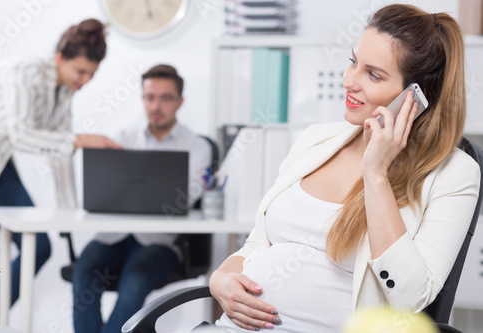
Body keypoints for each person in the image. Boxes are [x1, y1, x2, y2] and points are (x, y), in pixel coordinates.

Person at [208, 4, 481, 332]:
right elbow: (257, 244)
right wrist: (221, 278)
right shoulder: (317, 139)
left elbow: (410, 297)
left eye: (373, 74)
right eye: (353, 62)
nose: (348, 81)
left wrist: (376, 174)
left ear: (416, 96)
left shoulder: (454, 174)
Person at [0, 18, 121, 325]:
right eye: (81, 71)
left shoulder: (64, 92)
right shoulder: (24, 73)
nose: (84, 80)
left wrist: (69, 214)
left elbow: (60, 154)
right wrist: (83, 140)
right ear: (61, 58)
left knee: (41, 246)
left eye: (91, 74)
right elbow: (22, 135)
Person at [72, 64, 212, 333]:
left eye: (165, 98)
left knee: (135, 280)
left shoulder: (197, 147)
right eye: (149, 97)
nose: (155, 105)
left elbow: (188, 194)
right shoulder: (122, 139)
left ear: (179, 102)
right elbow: (102, 187)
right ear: (142, 99)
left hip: (159, 242)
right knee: (85, 271)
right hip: (113, 236)